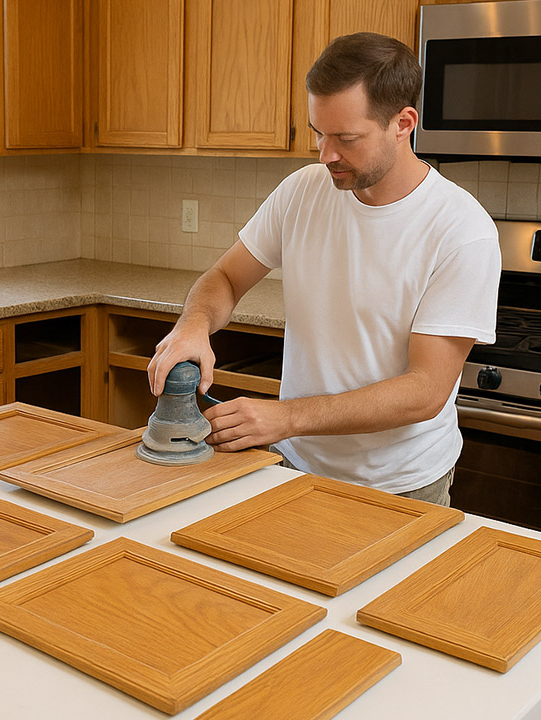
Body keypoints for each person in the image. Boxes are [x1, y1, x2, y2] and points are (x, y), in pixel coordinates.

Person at [146, 32, 500, 506]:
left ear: (403, 123)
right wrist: (193, 326)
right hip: (293, 465)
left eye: (346, 138)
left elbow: (425, 391)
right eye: (319, 131)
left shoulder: (461, 231)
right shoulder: (303, 192)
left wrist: (285, 418)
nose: (325, 154)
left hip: (399, 485)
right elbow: (226, 279)